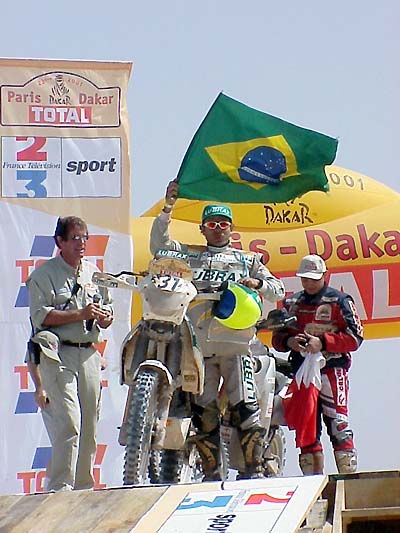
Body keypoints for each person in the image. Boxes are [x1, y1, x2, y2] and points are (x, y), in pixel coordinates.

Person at [150, 180, 285, 479]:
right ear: (203, 228)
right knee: (204, 411)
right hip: (198, 347)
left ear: (232, 228)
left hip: (237, 346)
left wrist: (257, 283)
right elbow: (159, 248)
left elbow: (278, 289)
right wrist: (168, 207)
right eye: (211, 223)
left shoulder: (247, 259)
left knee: (247, 409)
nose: (218, 228)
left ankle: (254, 469)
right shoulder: (190, 255)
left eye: (223, 223)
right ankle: (213, 473)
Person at [26, 216, 114, 492]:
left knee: (89, 425)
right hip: (58, 354)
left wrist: (105, 317)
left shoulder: (93, 272)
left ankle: (84, 489)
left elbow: (106, 308)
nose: (81, 243)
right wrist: (80, 313)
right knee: (69, 423)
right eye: (75, 238)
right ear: (60, 242)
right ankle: (60, 489)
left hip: (88, 353)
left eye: (85, 237)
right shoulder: (44, 275)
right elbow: (41, 317)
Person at [272, 254, 363, 475]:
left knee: (339, 424)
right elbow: (277, 338)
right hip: (302, 373)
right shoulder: (291, 303)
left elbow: (355, 338)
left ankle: (348, 482)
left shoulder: (340, 301)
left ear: (324, 275)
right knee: (307, 428)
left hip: (332, 369)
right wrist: (289, 341)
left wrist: (322, 342)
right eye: (305, 278)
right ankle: (312, 485)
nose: (309, 283)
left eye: (314, 278)